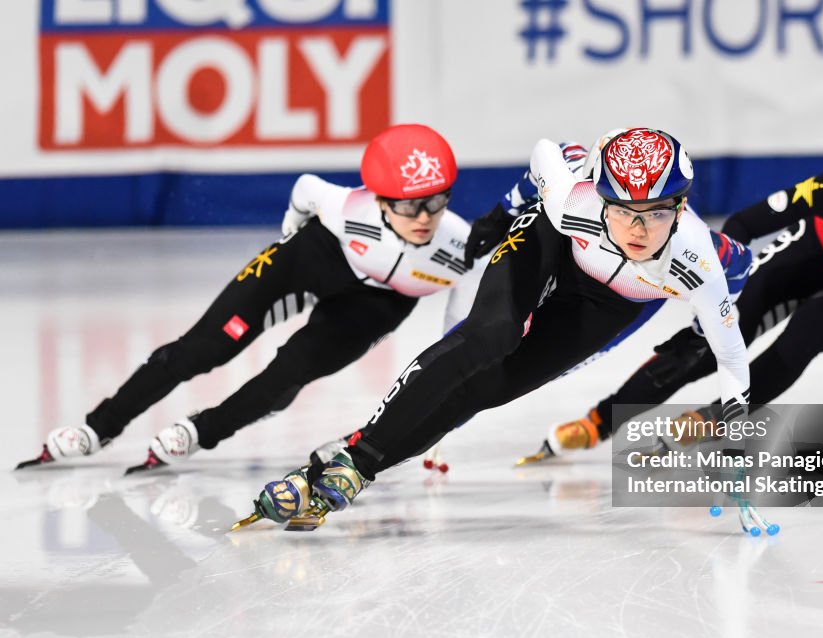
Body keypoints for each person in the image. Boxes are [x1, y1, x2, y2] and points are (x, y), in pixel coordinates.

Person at [234, 127, 773, 534]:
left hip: (612, 302)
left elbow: (731, 362)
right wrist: (515, 203)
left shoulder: (700, 261)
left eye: (655, 213)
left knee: (489, 389)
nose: (636, 228)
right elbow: (546, 152)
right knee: (491, 334)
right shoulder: (573, 203)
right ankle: (360, 454)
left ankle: (358, 462)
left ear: (681, 207)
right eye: (623, 210)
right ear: (600, 198)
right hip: (552, 244)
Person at [18, 124, 490, 474]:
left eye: (436, 201)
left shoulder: (458, 250)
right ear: (381, 200)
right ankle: (98, 428)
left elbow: (458, 330)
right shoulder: (347, 208)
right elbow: (306, 189)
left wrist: (440, 406)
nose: (424, 217)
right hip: (316, 258)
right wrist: (288, 242)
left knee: (287, 377)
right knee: (202, 349)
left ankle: (202, 432)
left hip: (378, 304)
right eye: (409, 205)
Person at [530, 104, 823, 458]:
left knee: (808, 331)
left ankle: (714, 419)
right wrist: (718, 295)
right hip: (808, 256)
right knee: (705, 345)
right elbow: (745, 223)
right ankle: (599, 422)